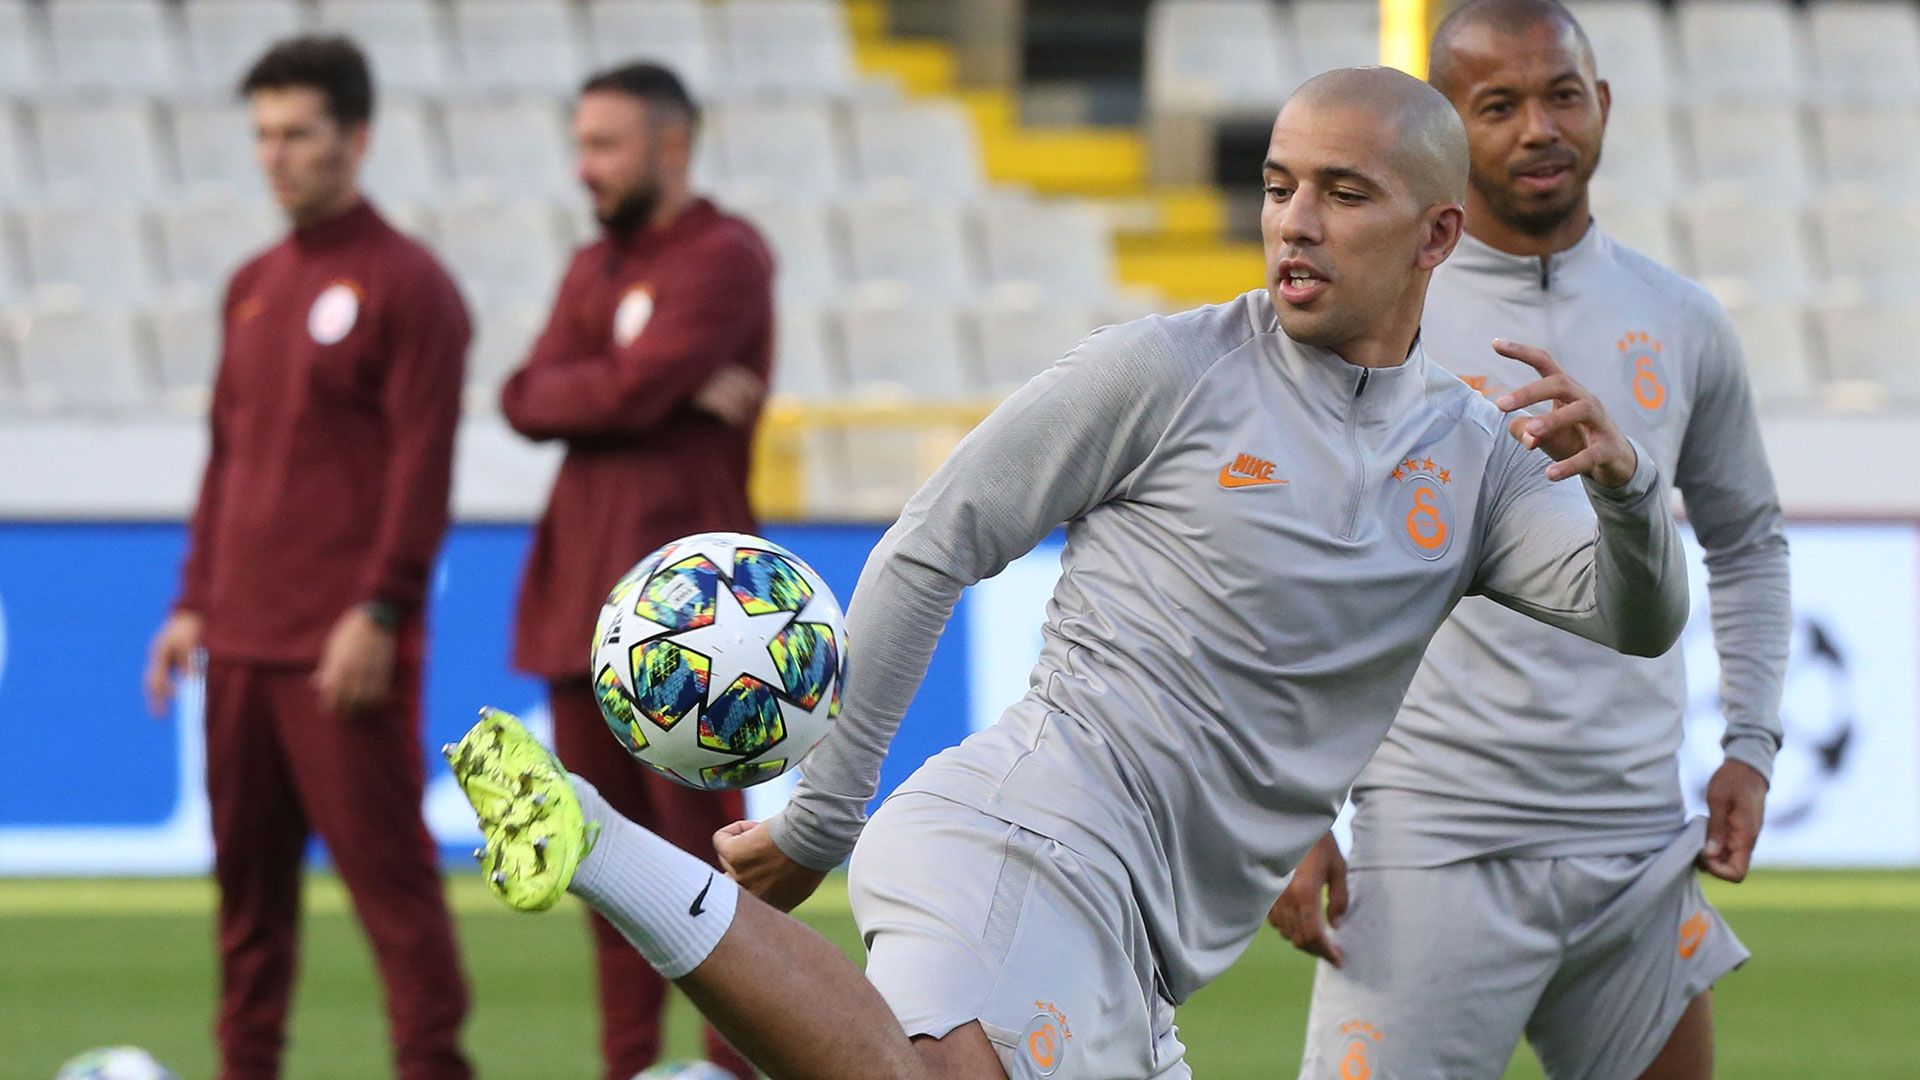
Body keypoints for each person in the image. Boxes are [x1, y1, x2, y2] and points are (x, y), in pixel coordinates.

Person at [450, 66, 1692, 1080]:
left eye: (1342, 193)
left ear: (1438, 234)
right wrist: (821, 821)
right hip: (1023, 841)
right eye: (1276, 187)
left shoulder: (1475, 452)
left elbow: (1632, 619)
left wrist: (1629, 495)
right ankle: (601, 841)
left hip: (1143, 949)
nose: (1296, 221)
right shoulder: (1166, 370)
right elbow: (931, 543)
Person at [1269, 5, 1790, 1079]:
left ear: (1602, 105)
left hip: (1639, 843)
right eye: (1496, 105)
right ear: (1450, 137)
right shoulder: (1372, 314)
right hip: (1432, 848)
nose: (1538, 127)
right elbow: (1286, 570)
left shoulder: (1681, 319)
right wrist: (1286, 806)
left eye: (1560, 93)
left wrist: (1750, 744)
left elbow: (1745, 542)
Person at [141, 36, 473, 1080]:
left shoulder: (410, 286)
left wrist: (381, 612)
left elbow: (422, 474)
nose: (276, 156)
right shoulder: (251, 284)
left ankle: (433, 1068)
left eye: (298, 134)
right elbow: (228, 458)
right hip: (238, 644)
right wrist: (193, 601)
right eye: (263, 137)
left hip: (341, 647)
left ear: (356, 138)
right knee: (246, 905)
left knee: (392, 890)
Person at [499, 61, 770, 1080]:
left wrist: (629, 387)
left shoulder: (725, 258)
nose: (586, 168)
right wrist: (643, 387)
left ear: (671, 146)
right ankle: (627, 1069)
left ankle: (732, 1066)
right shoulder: (590, 270)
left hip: (692, 619)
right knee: (598, 864)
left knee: (709, 863)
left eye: (605, 146)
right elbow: (525, 398)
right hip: (579, 601)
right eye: (581, 145)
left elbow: (618, 392)